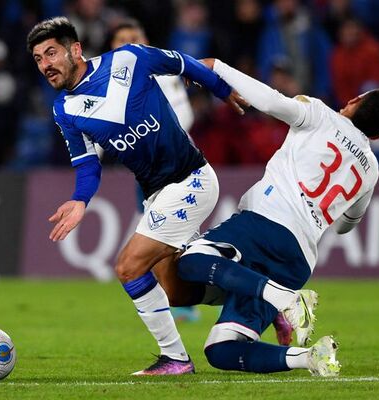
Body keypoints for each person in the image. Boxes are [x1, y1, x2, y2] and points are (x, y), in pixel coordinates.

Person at [26, 17, 246, 375]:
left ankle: (175, 359)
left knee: (128, 267)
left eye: (51, 53)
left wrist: (223, 90)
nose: (46, 65)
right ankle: (253, 295)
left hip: (191, 179)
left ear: (75, 50)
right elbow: (87, 166)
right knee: (174, 290)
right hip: (157, 193)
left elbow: (183, 63)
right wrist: (80, 200)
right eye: (38, 59)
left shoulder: (128, 59)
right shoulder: (64, 110)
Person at [176, 58, 379, 376]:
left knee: (189, 262)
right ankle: (310, 357)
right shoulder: (371, 169)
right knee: (221, 349)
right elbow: (349, 223)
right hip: (298, 259)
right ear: (376, 137)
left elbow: (269, 100)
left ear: (352, 102)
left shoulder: (320, 114)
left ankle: (284, 299)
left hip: (266, 222)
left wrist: (216, 67)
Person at [107, 19, 200, 323]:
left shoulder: (159, 70)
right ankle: (174, 294)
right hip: (147, 170)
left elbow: (184, 114)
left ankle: (186, 296)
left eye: (134, 38)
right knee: (160, 234)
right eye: (122, 40)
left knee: (171, 234)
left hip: (176, 164)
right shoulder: (109, 83)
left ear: (145, 40)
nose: (128, 44)